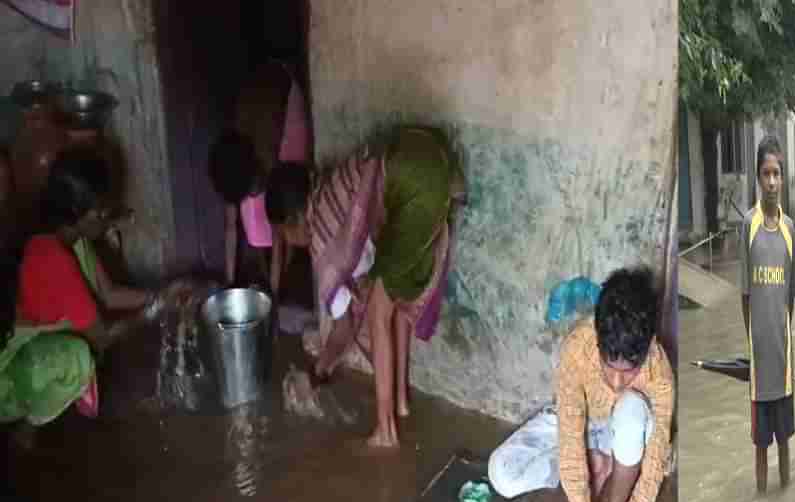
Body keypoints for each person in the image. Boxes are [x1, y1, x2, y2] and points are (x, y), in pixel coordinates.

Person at [264, 126, 465, 448]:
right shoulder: (333, 187)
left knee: (377, 313)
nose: (287, 241)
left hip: (415, 182)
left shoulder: (322, 233)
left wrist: (318, 369)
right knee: (394, 301)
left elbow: (344, 326)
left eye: (282, 233)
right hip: (430, 156)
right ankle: (400, 403)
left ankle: (385, 432)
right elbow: (371, 259)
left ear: (293, 221)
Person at [1, 147, 189, 446]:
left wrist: (162, 293)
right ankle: (25, 428)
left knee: (80, 349)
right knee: (79, 358)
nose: (108, 218)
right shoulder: (51, 259)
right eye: (102, 212)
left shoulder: (70, 238)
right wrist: (155, 310)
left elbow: (108, 293)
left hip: (32, 346)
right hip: (5, 371)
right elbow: (101, 337)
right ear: (80, 214)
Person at [557, 266, 674, 502]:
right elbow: (568, 442)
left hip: (624, 427)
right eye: (610, 367)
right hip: (586, 425)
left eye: (630, 371)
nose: (618, 382)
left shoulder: (659, 372)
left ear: (649, 346)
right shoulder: (575, 350)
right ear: (597, 339)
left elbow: (652, 472)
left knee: (633, 411)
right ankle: (601, 460)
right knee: (503, 473)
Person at [208, 60, 311, 296]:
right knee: (254, 218)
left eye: (252, 189)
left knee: (284, 215)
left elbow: (279, 227)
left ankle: (282, 277)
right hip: (258, 94)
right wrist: (229, 284)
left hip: (283, 95)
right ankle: (271, 280)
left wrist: (272, 296)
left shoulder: (276, 152)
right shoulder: (230, 163)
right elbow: (230, 227)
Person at [741, 135, 795, 494]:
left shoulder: (792, 229)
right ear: (758, 179)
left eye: (777, 173)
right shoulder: (748, 225)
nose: (773, 181)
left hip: (785, 359)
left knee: (785, 443)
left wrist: (782, 337)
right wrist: (754, 342)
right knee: (760, 446)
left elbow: (790, 300)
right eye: (766, 174)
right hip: (758, 363)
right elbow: (745, 296)